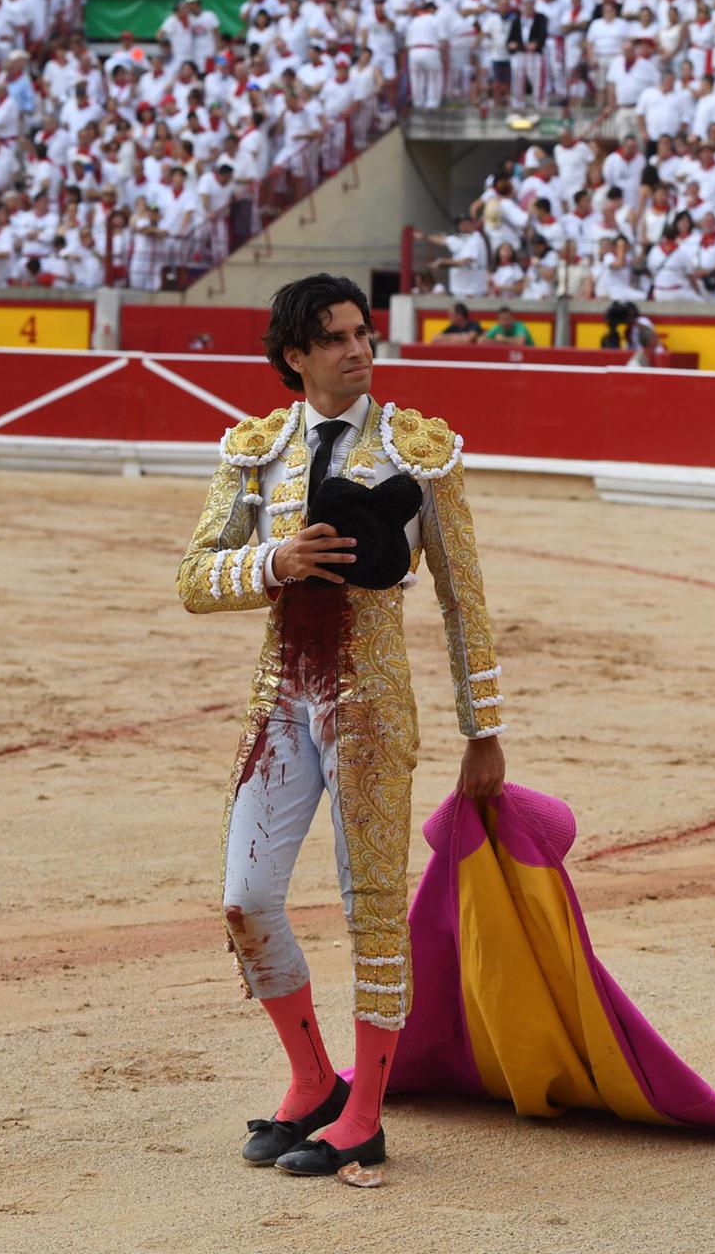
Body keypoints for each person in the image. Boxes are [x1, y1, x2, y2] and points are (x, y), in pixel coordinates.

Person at [177, 273, 506, 1176]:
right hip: (279, 696)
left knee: (372, 910)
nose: (359, 349)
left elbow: (461, 596)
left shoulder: (419, 448)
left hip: (371, 697)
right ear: (295, 356)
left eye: (363, 332)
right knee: (246, 899)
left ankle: (365, 1111)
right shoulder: (255, 451)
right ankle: (313, 1079)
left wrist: (484, 728)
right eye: (335, 338)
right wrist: (274, 560)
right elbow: (194, 579)